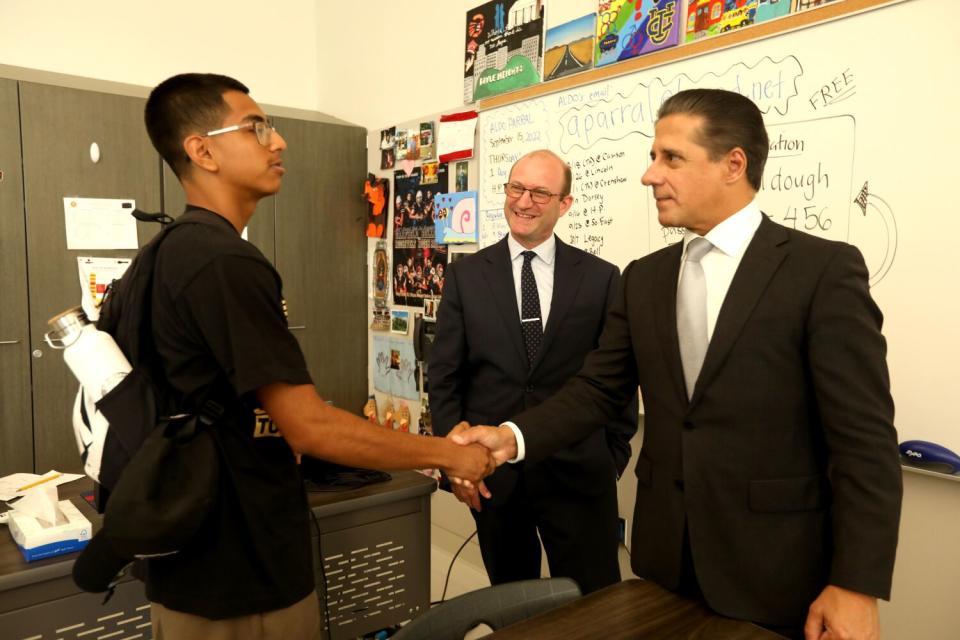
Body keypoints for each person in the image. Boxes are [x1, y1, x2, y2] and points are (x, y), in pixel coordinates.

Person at [453, 90, 902, 639]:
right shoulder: (646, 277)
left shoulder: (820, 271)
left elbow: (863, 442)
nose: (649, 176)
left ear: (733, 164)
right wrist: (510, 437)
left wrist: (856, 584)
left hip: (775, 571)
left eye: (671, 158)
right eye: (652, 156)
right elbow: (596, 389)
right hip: (666, 562)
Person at [142, 73, 494, 640]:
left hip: (191, 562)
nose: (278, 142)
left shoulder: (169, 250)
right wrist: (447, 455)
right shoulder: (224, 262)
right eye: (257, 128)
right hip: (239, 577)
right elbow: (307, 427)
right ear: (201, 150)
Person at [429, 149, 638, 595]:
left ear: (565, 204)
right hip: (493, 479)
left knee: (595, 605)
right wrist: (456, 463)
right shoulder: (466, 276)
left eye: (541, 192)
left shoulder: (601, 278)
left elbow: (618, 375)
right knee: (513, 604)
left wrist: (612, 456)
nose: (524, 201)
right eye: (516, 188)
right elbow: (445, 376)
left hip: (580, 475)